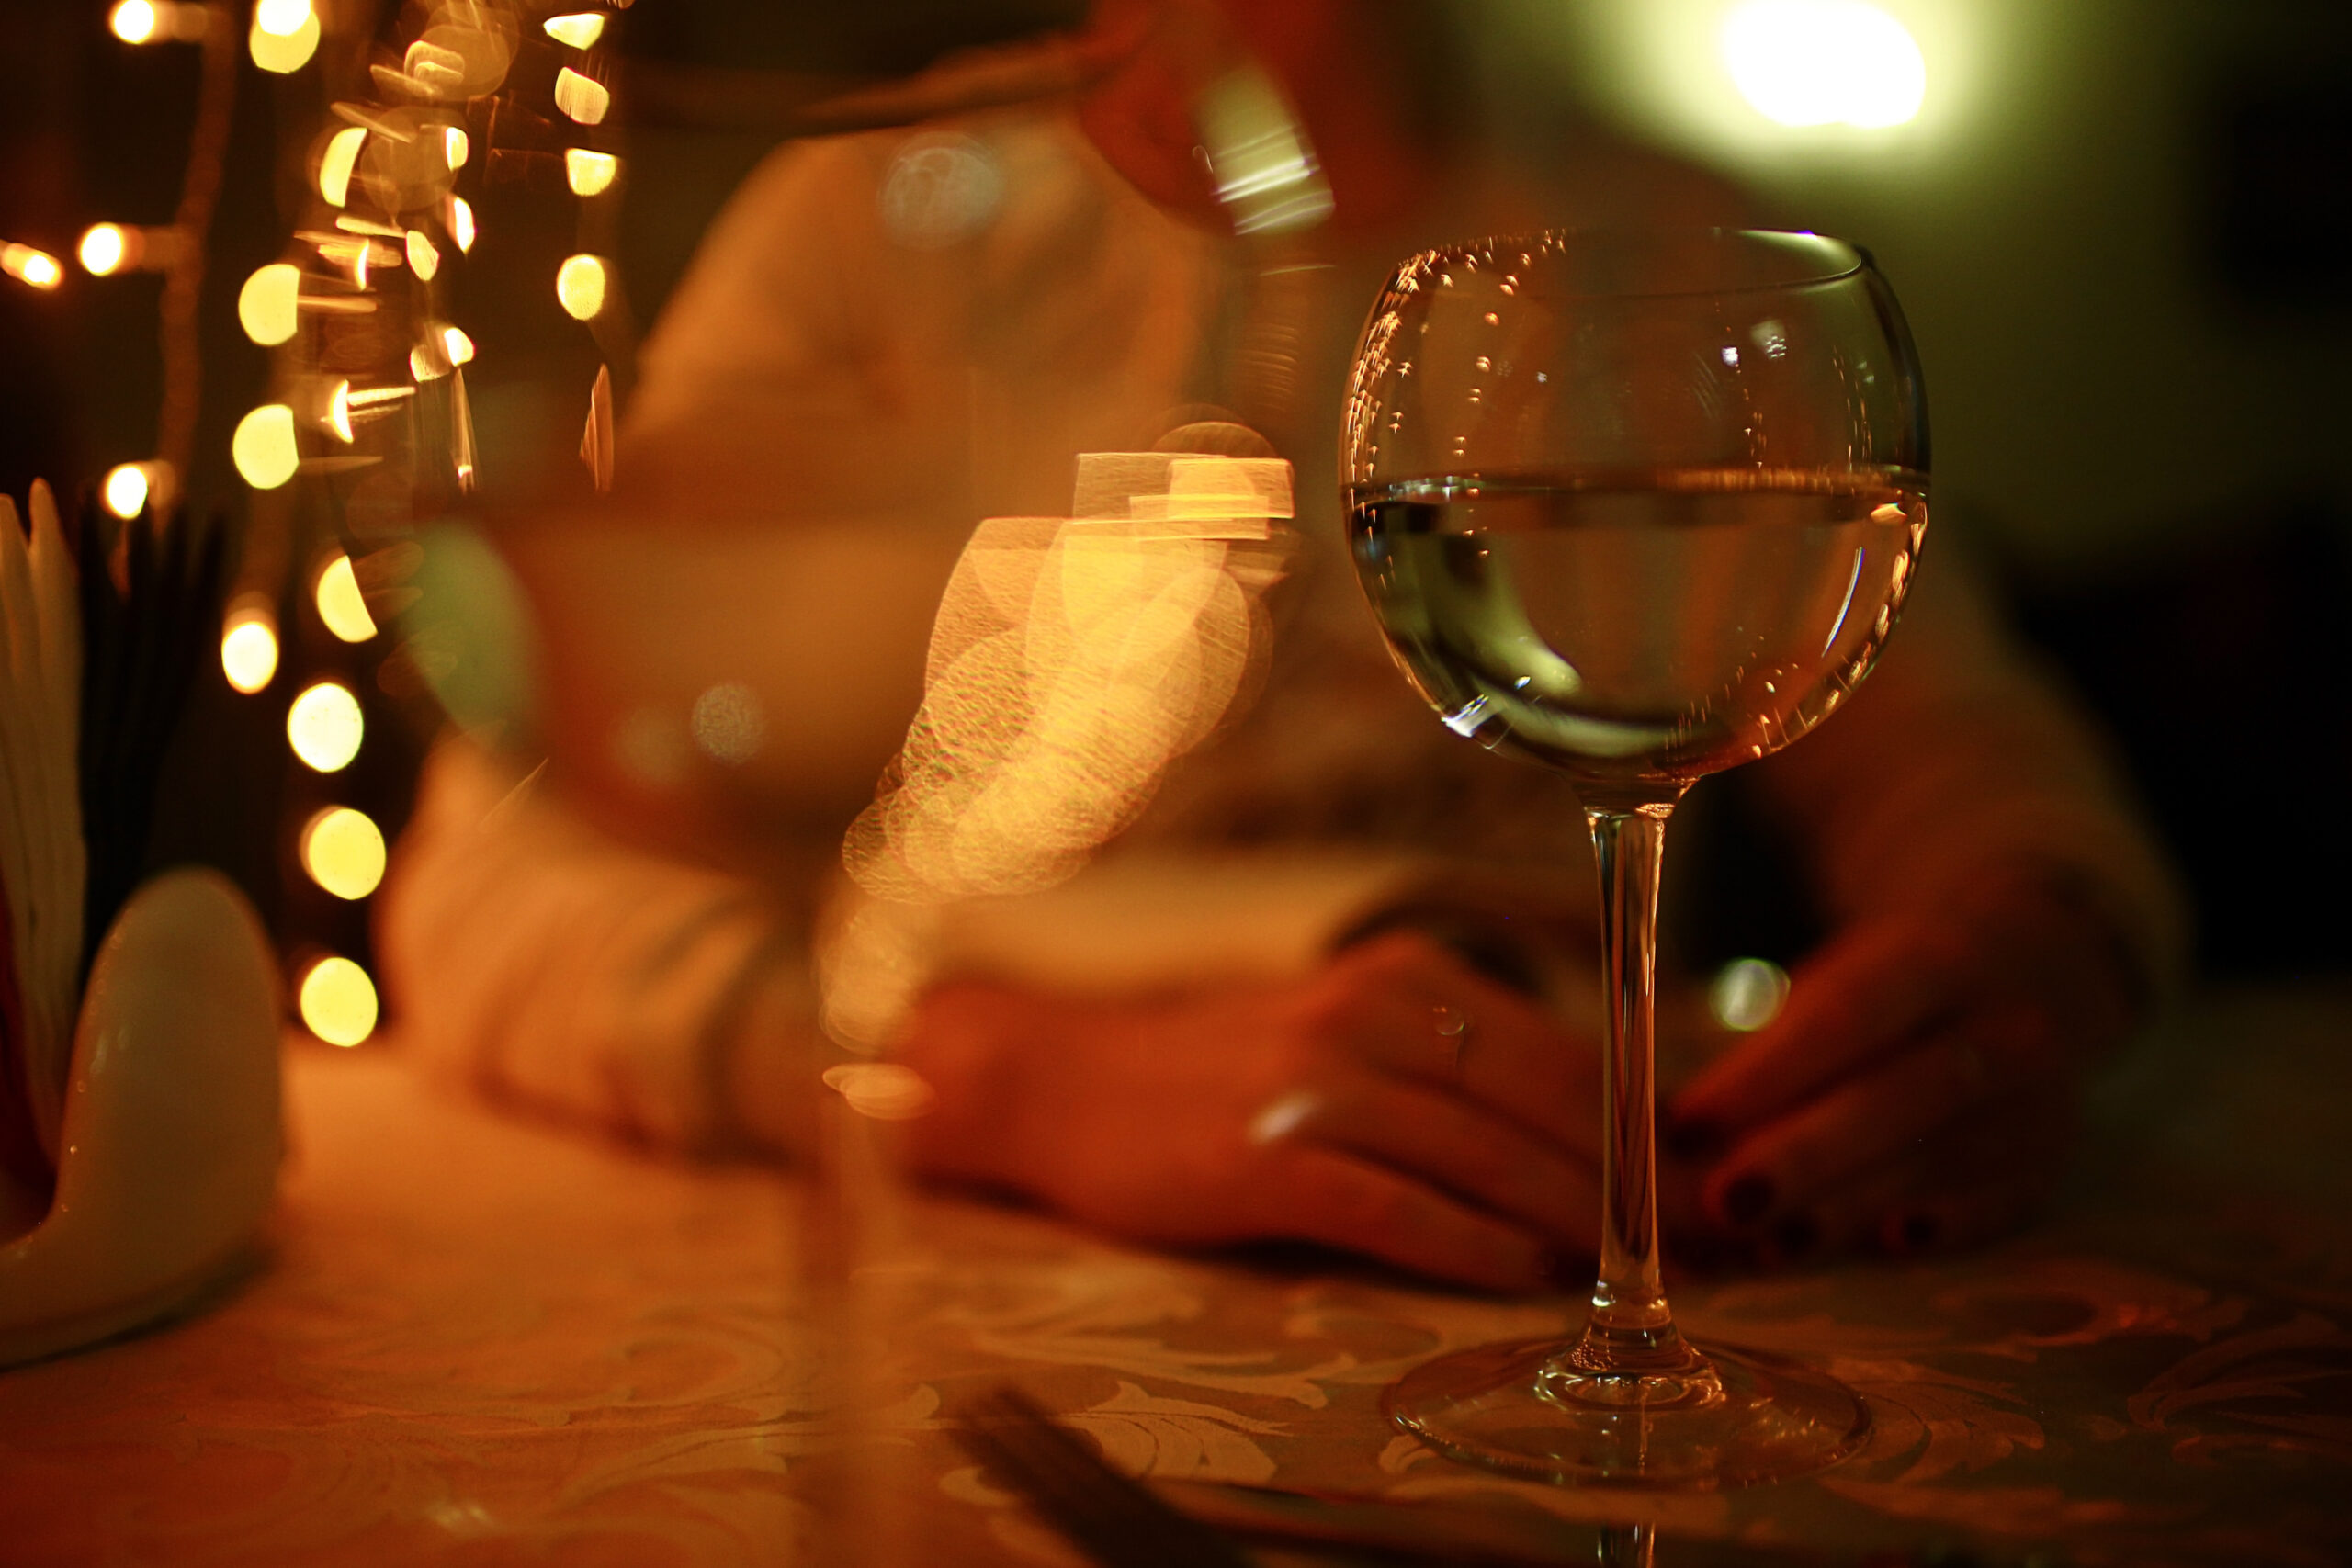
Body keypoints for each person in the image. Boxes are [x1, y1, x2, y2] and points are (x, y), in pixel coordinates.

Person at [380, 0, 2186, 1291]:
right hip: (1024, 1281)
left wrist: (2035, 951)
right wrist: (998, 1077)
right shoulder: (882, 226)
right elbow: (484, 884)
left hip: (1573, 1252)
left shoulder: (1667, 240)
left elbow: (1963, 755)